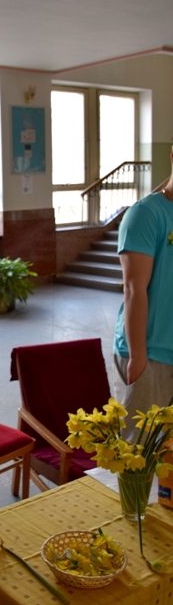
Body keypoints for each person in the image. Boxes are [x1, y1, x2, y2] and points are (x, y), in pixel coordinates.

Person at [113, 150, 173, 433]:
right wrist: (138, 359)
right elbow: (134, 289)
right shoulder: (147, 213)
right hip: (150, 353)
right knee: (135, 450)